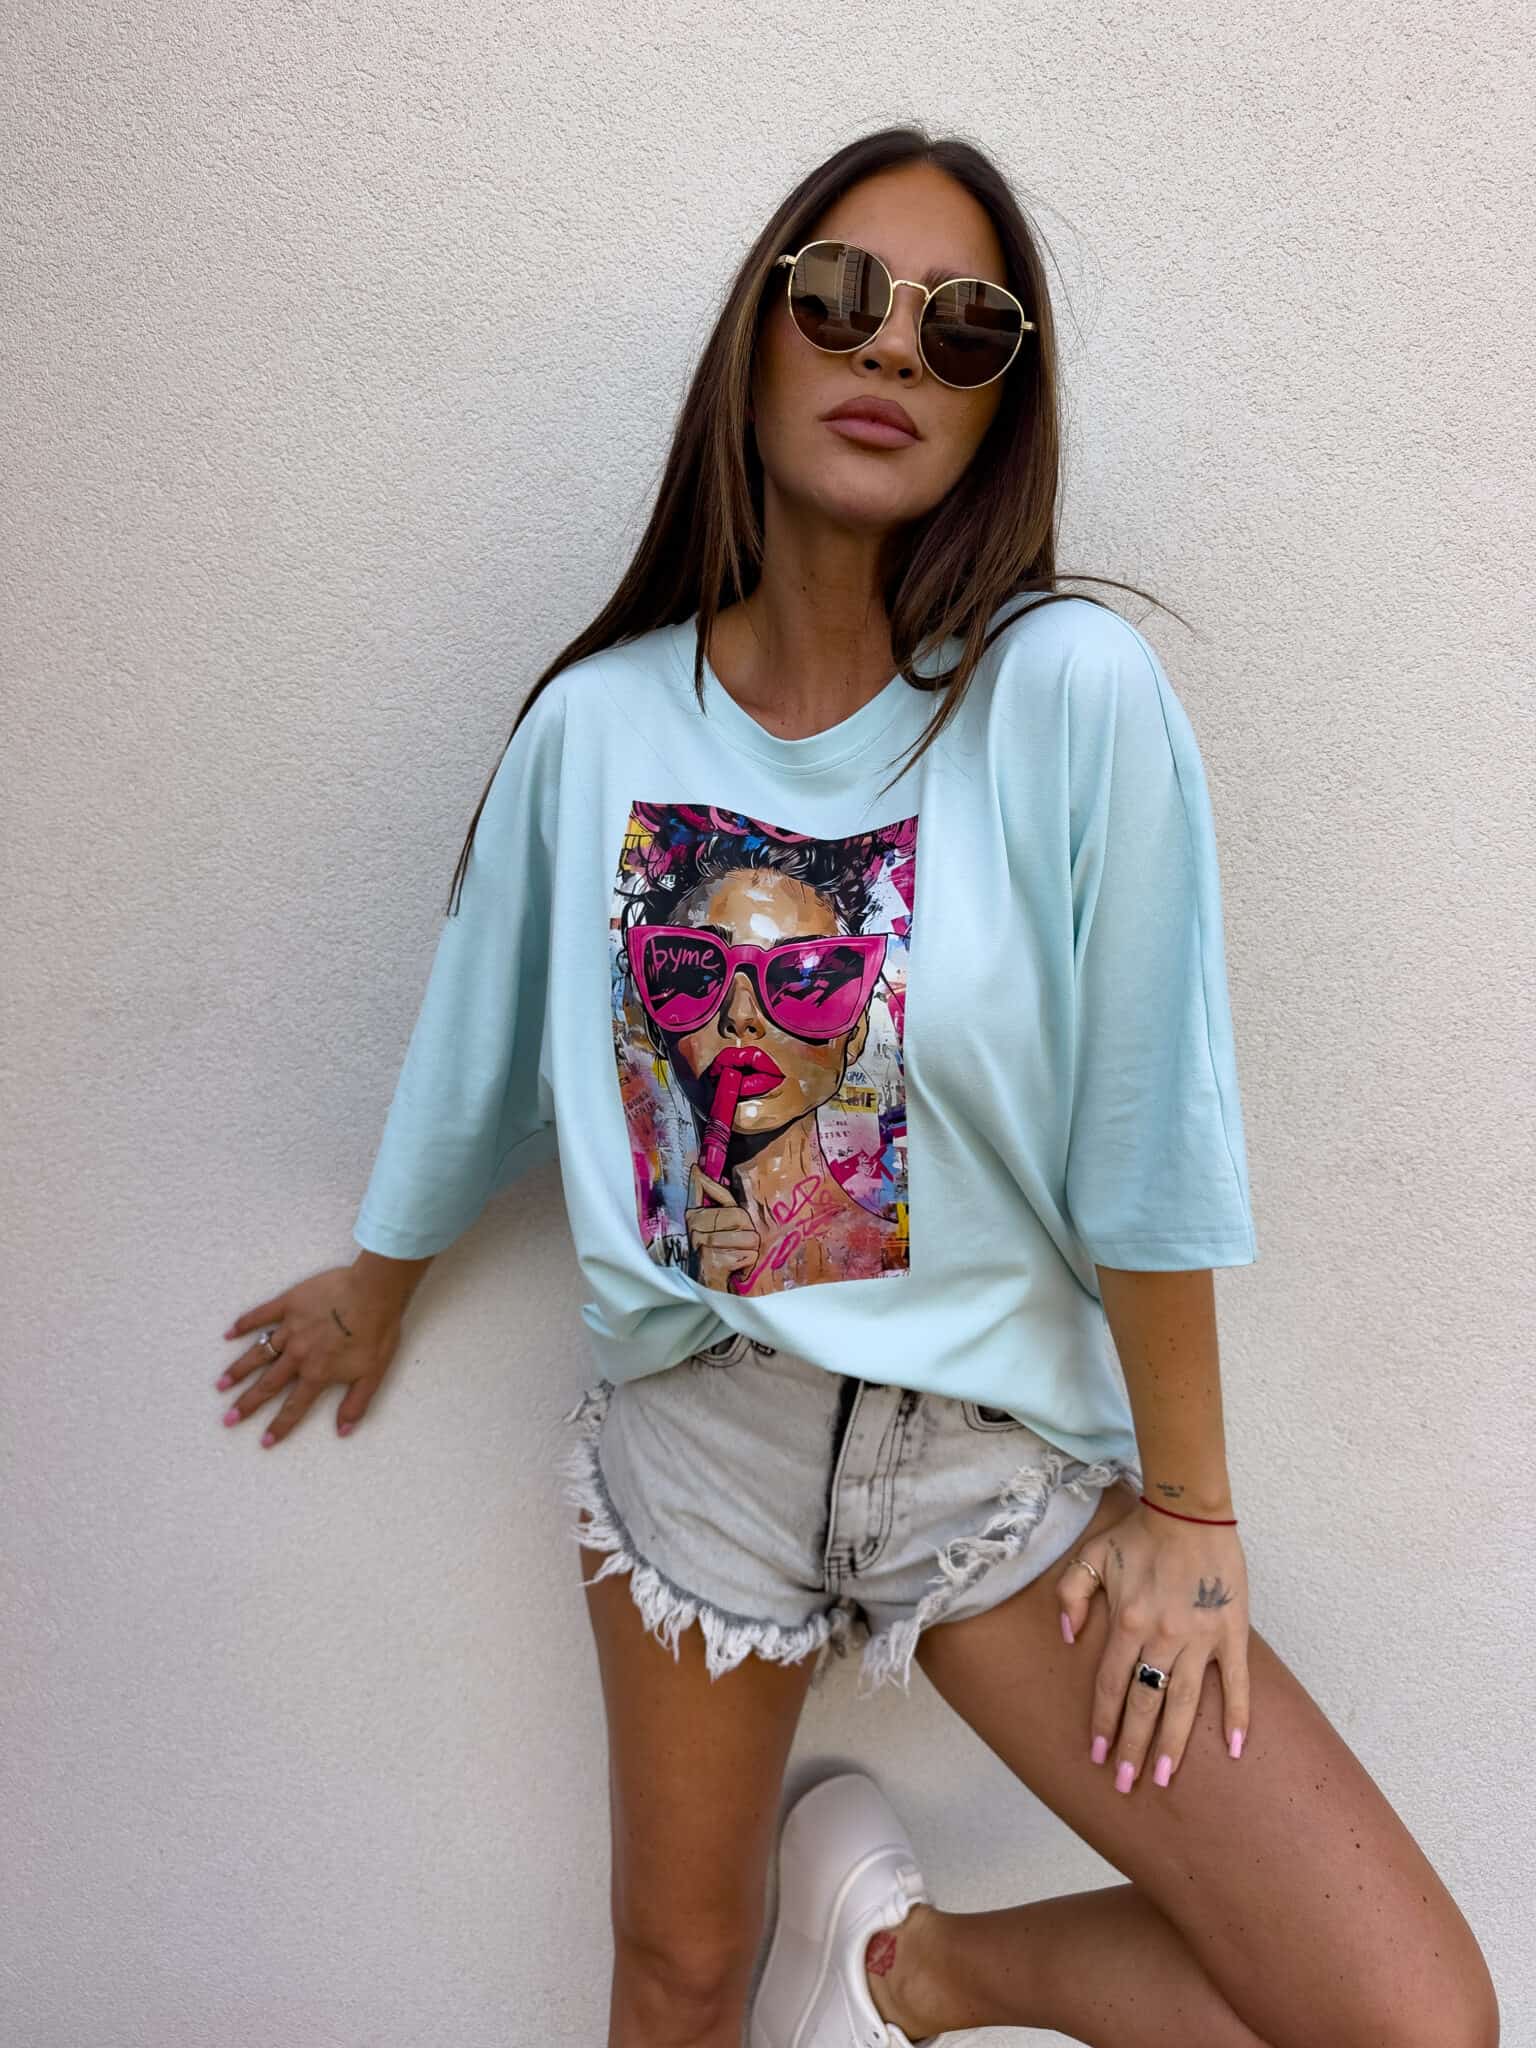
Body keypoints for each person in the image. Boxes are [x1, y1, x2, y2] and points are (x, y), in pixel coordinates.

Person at [216, 127, 1499, 2048]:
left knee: (1404, 2018)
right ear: (756, 338)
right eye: (838, 296)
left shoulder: (1062, 696)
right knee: (676, 1976)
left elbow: (1148, 1113)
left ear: (999, 408)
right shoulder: (599, 726)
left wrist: (1193, 1509)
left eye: (961, 327)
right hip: (701, 1433)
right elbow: (483, 1036)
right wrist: (380, 1279)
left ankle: (918, 1974)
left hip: (984, 1458)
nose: (891, 345)